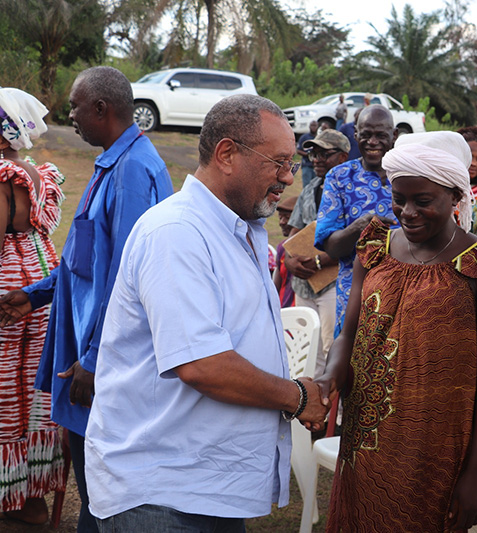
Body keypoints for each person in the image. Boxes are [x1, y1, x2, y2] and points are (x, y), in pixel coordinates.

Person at [83, 94, 329, 531]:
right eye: (278, 162)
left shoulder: (240, 228)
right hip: (162, 494)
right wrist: (298, 396)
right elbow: (202, 364)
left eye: (292, 164)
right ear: (227, 154)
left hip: (201, 488)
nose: (289, 178)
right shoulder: (177, 233)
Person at [0, 66, 173, 533]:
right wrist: (33, 294)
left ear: (101, 108)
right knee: (91, 473)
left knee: (102, 484)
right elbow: (84, 258)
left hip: (105, 359)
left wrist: (95, 359)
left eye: (75, 106)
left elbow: (126, 277)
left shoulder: (134, 171)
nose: (68, 115)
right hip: (87, 346)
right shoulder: (113, 163)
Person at [317, 131, 477, 531]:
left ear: (455, 197)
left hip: (434, 446)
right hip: (366, 440)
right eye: (399, 199)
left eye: (423, 201)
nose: (408, 212)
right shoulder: (375, 249)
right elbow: (348, 336)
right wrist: (330, 378)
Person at [0, 88, 66, 524]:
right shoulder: (37, 173)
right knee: (33, 387)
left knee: (5, 390)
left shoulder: (0, 176)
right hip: (42, 283)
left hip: (8, 288)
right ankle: (32, 499)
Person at [315, 105, 397, 338]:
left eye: (381, 135)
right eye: (366, 135)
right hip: (355, 298)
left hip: (405, 296)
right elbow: (331, 246)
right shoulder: (339, 177)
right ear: (356, 135)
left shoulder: (409, 175)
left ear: (395, 136)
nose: (373, 142)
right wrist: (360, 226)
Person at [286, 129, 349, 377]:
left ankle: (336, 413)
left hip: (336, 283)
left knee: (331, 348)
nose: (317, 160)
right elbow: (293, 233)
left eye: (325, 154)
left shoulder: (351, 191)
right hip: (304, 283)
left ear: (343, 157)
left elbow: (357, 242)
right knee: (305, 348)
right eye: (314, 153)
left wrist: (319, 261)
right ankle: (306, 407)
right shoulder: (310, 188)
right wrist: (290, 261)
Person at [273, 195, 298, 308]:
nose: (282, 222)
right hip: (283, 309)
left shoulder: (310, 248)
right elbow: (276, 285)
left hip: (303, 313)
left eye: (287, 218)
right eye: (280, 217)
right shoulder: (281, 248)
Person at [296, 120, 318, 187]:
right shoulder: (304, 137)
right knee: (306, 186)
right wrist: (307, 154)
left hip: (316, 166)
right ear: (309, 126)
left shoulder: (319, 137)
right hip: (306, 165)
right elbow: (298, 150)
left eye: (315, 126)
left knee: (316, 186)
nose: (313, 127)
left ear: (318, 127)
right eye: (312, 125)